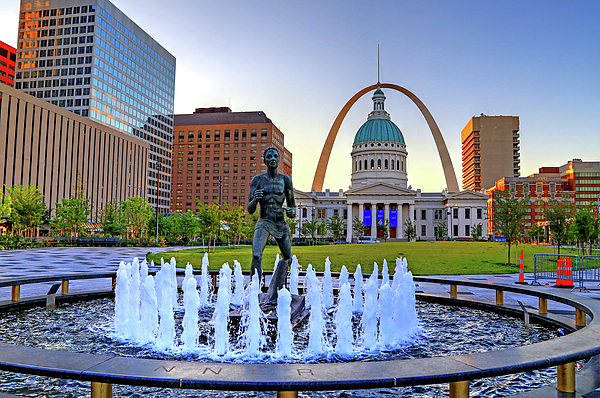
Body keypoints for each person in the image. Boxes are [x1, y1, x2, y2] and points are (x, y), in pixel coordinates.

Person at [247, 146, 296, 306]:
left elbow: (293, 207)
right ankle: (255, 292)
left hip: (280, 223)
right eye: (269, 157)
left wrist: (291, 212)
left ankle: (278, 288)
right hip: (264, 222)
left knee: (287, 257)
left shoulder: (285, 180)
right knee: (256, 256)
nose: (272, 159)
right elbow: (249, 209)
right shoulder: (258, 180)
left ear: (279, 160)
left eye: (275, 156)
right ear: (265, 160)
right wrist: (255, 199)